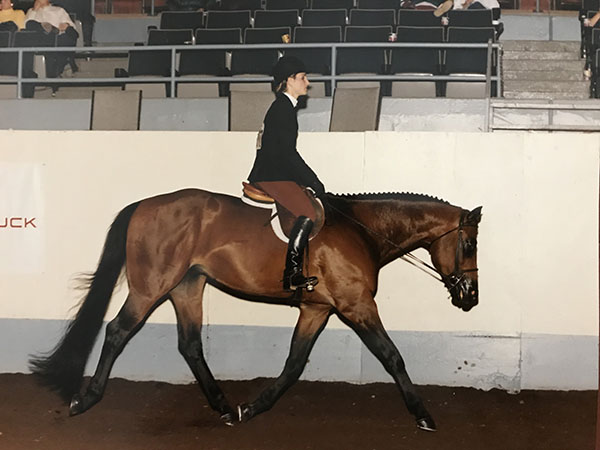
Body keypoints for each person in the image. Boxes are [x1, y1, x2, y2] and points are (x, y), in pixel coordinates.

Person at [247, 56, 326, 292]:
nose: (307, 83)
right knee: (308, 212)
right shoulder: (283, 109)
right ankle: (292, 274)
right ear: (289, 80)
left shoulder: (283, 107)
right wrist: (313, 180)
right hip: (273, 174)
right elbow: (288, 154)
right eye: (302, 78)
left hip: (275, 171)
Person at [25, 0, 78, 77]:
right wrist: (34, 11)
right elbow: (25, 27)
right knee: (31, 24)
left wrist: (66, 26)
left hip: (54, 41)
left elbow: (72, 30)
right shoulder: (31, 11)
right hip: (36, 41)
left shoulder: (58, 10)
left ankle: (50, 30)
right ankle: (48, 28)